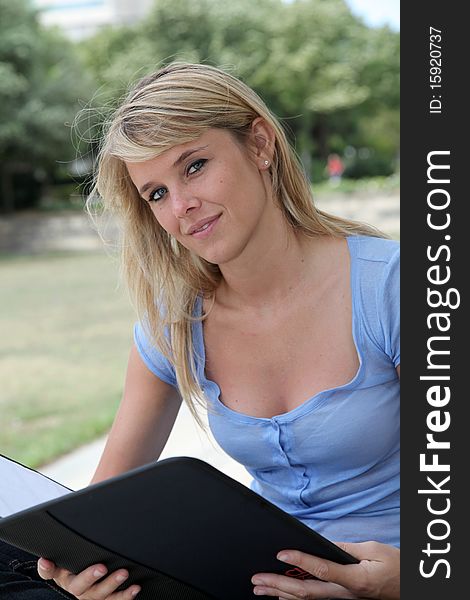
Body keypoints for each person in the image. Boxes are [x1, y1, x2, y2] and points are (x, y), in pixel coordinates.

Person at [0, 62, 400, 599]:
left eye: (194, 167)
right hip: (259, 581)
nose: (182, 206)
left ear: (260, 144)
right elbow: (94, 509)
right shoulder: (175, 322)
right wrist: (85, 572)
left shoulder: (393, 287)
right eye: (156, 194)